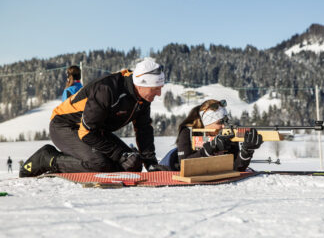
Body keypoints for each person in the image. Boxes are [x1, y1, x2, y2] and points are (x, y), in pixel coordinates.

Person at [20, 58, 165, 177]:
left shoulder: (142, 99)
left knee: (133, 164)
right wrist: (120, 154)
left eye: (160, 88)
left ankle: (77, 159)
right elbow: (86, 132)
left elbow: (143, 129)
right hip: (64, 126)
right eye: (155, 89)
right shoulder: (107, 89)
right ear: (141, 84)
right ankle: (48, 159)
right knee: (100, 165)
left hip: (95, 131)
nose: (159, 93)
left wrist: (150, 163)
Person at [159, 99, 263, 171]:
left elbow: (236, 168)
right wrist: (211, 148)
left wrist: (246, 152)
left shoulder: (228, 133)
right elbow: (184, 165)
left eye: (225, 122)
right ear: (206, 123)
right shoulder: (188, 132)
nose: (223, 126)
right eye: (219, 123)